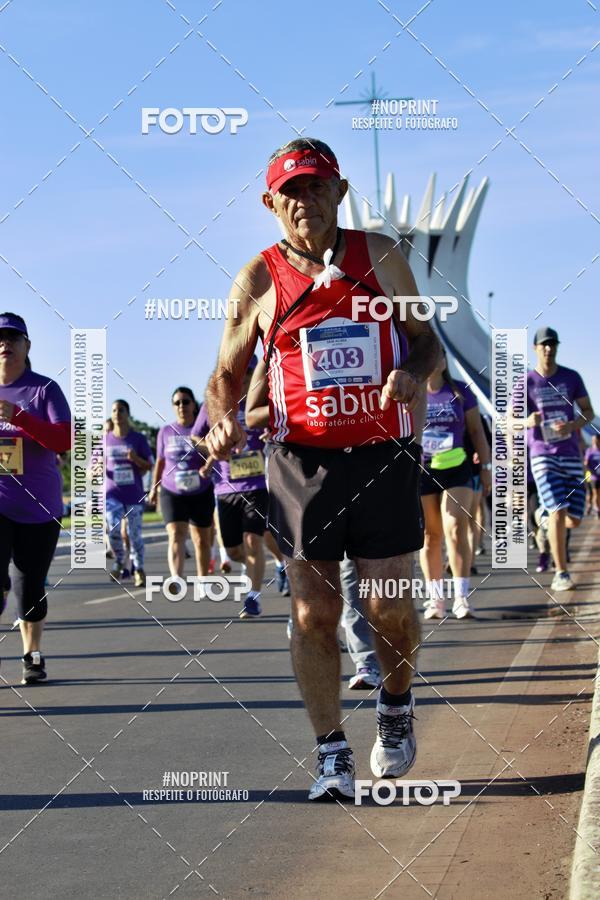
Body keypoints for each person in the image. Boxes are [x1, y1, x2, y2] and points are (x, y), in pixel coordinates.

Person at [203, 137, 440, 800]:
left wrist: (410, 373)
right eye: (291, 191)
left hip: (383, 453)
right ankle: (331, 750)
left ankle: (395, 702)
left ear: (339, 191)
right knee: (313, 612)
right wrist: (223, 418)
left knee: (387, 603)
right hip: (300, 459)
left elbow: (426, 340)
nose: (303, 200)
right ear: (269, 203)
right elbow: (226, 373)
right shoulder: (259, 278)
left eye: (315, 187)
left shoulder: (381, 257)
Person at [0, 312, 71, 683]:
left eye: (13, 338)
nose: (4, 344)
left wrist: (19, 417)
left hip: (39, 508)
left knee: (30, 591)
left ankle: (33, 655)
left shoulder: (44, 390)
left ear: (27, 346)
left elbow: (64, 441)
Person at [193, 357, 268, 619]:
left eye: (250, 373)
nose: (245, 378)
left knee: (253, 541)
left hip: (257, 484)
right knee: (235, 550)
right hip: (225, 489)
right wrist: (213, 445)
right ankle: (250, 568)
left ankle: (253, 597)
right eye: (241, 373)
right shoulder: (215, 405)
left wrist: (272, 436)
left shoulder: (262, 403)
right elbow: (195, 437)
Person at [419, 354, 491, 620]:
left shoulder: (460, 392)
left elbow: (476, 432)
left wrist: (486, 468)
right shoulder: (413, 391)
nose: (436, 359)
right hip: (424, 470)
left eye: (440, 354)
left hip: (456, 467)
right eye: (431, 353)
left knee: (456, 524)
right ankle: (436, 599)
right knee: (430, 535)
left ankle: (461, 597)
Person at [527, 328, 595, 591]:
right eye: (543, 345)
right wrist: (526, 421)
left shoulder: (571, 377)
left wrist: (573, 425)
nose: (548, 349)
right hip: (542, 454)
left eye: (552, 344)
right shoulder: (527, 382)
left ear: (557, 347)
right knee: (558, 510)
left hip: (570, 455)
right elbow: (508, 420)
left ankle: (543, 517)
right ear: (535, 348)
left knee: (573, 519)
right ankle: (562, 573)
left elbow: (588, 411)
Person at [148, 387, 215, 587]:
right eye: (177, 403)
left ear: (194, 405)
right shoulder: (165, 432)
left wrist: (208, 465)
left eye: (185, 401)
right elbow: (160, 462)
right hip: (172, 490)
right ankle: (176, 578)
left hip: (201, 490)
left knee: (201, 539)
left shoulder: (202, 429)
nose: (181, 406)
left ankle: (203, 579)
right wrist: (154, 487)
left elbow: (215, 451)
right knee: (176, 533)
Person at [106, 399, 153, 587]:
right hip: (112, 494)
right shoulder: (104, 440)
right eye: (114, 410)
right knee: (114, 531)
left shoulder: (138, 439)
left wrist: (136, 459)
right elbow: (92, 465)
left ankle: (138, 568)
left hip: (133, 494)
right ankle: (119, 560)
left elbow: (149, 464)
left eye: (121, 410)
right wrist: (93, 470)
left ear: (128, 414)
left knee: (134, 535)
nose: (117, 413)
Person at [584, 435, 600, 517]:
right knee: (594, 494)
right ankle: (596, 509)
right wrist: (590, 471)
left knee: (598, 494)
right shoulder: (589, 451)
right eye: (593, 440)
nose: (595, 441)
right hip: (592, 477)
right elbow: (586, 463)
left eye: (596, 440)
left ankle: (595, 507)